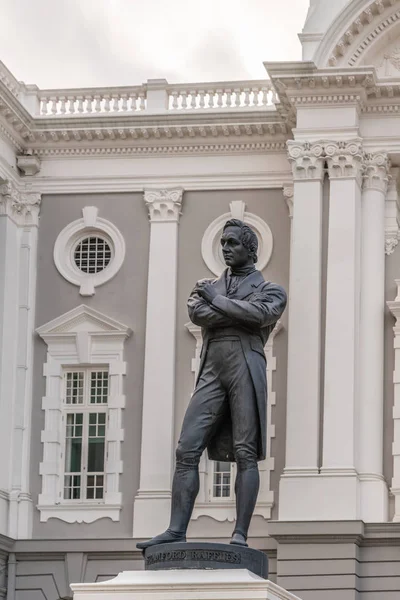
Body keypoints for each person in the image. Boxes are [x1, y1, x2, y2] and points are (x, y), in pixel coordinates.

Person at [137, 218, 287, 549]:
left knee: (246, 451)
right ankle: (176, 529)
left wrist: (217, 302)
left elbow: (259, 316)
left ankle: (240, 535)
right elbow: (197, 314)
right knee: (186, 448)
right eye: (222, 243)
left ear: (250, 248)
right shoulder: (207, 286)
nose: (225, 249)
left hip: (245, 367)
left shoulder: (270, 290)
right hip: (211, 369)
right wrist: (236, 311)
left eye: (232, 243)